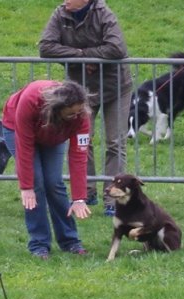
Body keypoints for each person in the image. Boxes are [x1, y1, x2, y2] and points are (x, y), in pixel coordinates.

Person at [39, 0, 132, 217]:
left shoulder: (104, 14)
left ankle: (113, 199)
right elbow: (46, 46)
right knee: (82, 140)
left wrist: (83, 55)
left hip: (115, 87)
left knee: (115, 142)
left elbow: (117, 47)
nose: (65, 1)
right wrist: (83, 56)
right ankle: (86, 191)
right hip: (80, 89)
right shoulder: (60, 14)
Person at [2, 80, 92, 259]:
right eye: (71, 113)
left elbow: (79, 157)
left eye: (78, 112)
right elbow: (25, 146)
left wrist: (79, 198)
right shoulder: (31, 101)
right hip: (16, 128)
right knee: (36, 184)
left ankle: (70, 241)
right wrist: (26, 186)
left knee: (54, 183)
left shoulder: (81, 116)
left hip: (54, 135)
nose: (76, 116)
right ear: (57, 108)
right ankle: (39, 244)